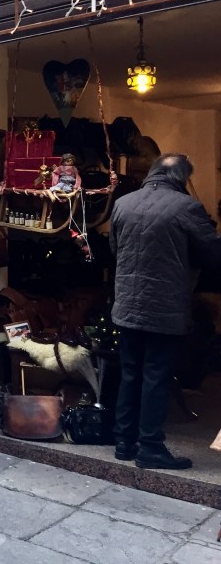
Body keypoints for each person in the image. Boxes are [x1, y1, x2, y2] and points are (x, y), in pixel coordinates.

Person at [109, 154, 221, 469]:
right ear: (182, 178)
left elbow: (116, 251)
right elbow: (212, 255)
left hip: (127, 306)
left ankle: (124, 442)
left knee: (130, 373)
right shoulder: (187, 207)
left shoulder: (123, 203)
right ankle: (151, 448)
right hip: (164, 308)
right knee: (156, 377)